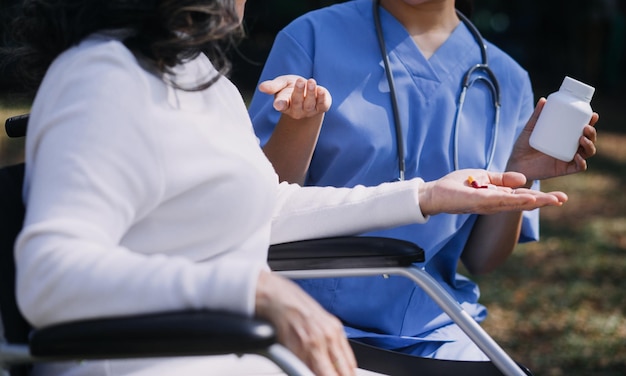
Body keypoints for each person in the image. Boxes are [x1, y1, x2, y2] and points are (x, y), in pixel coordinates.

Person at [8, 0, 569, 375]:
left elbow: (264, 205)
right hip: (158, 358)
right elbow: (48, 275)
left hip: (243, 352)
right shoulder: (101, 75)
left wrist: (426, 196)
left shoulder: (203, 78)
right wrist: (256, 289)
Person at [249, 0, 599, 361]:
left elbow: (482, 259)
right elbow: (259, 209)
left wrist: (519, 176)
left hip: (437, 325)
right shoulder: (311, 37)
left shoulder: (508, 80)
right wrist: (299, 121)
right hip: (302, 315)